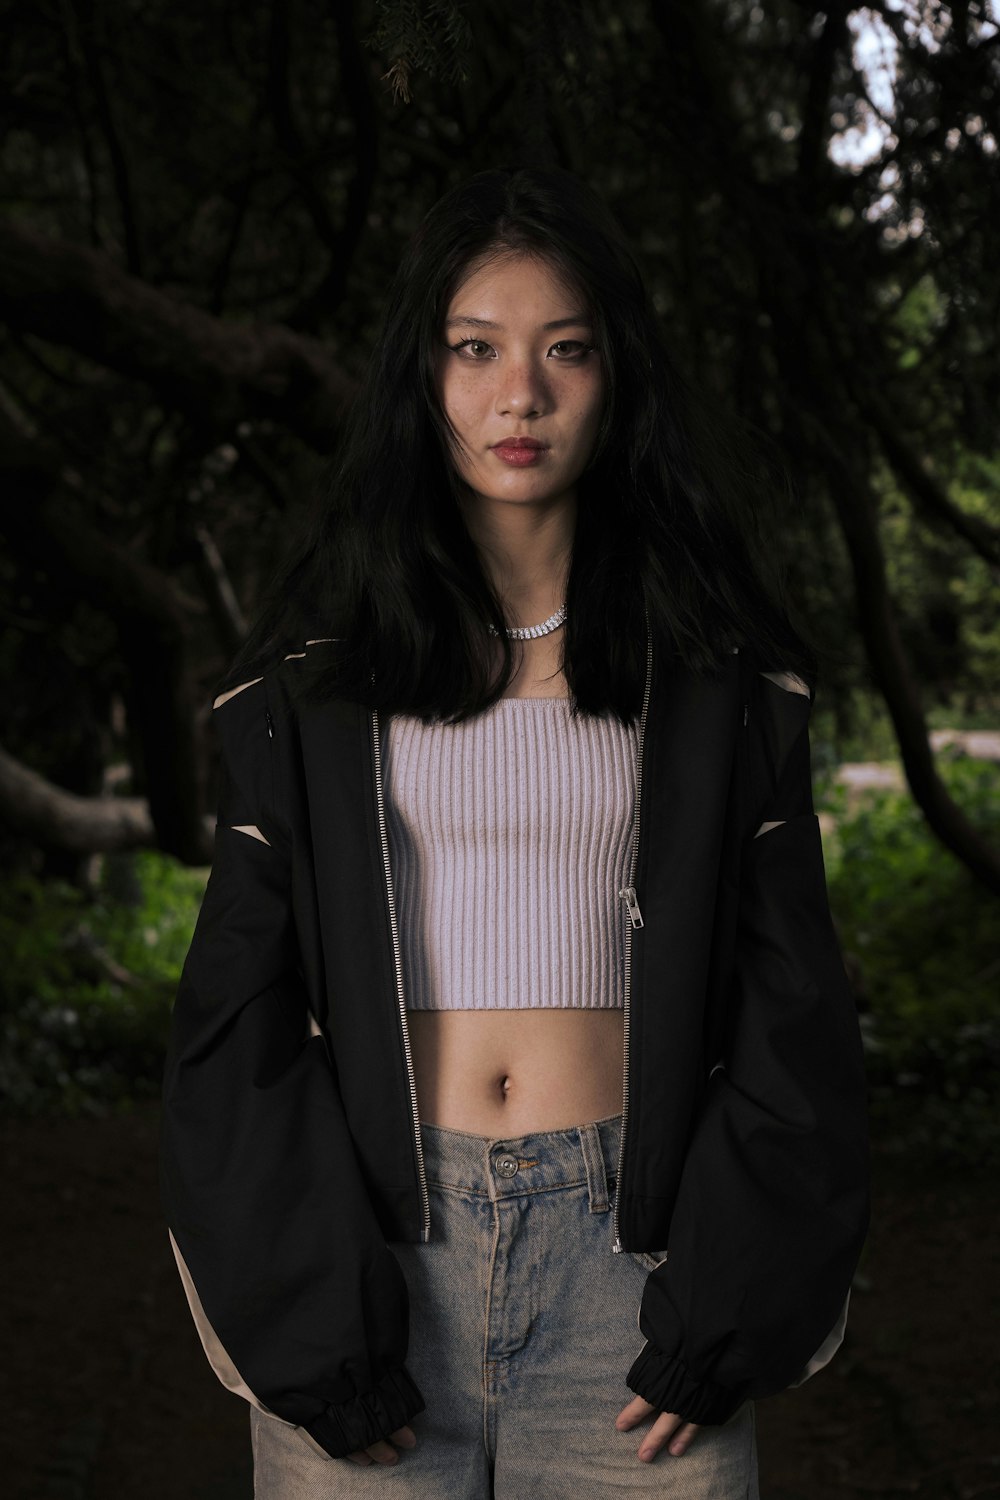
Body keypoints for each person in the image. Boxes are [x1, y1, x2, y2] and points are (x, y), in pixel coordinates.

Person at [160, 166, 870, 1498]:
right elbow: (233, 1025)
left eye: (566, 351)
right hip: (377, 1258)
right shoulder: (316, 689)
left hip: (639, 1277)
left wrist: (722, 1306)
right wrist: (314, 1325)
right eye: (474, 350)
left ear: (617, 378)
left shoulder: (720, 685)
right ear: (422, 382)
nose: (520, 395)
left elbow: (795, 1016)